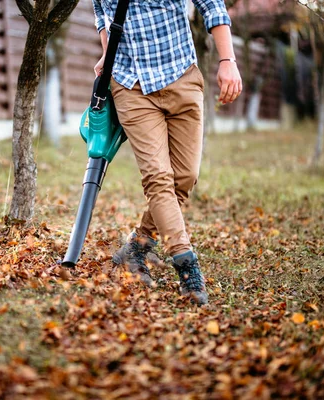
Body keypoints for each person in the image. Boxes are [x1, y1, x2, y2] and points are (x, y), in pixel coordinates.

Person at [92, 0, 242, 305]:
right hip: (130, 85)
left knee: (184, 177)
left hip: (180, 74)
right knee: (158, 178)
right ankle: (187, 267)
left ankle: (137, 246)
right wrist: (108, 52)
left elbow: (211, 4)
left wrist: (228, 59)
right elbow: (102, 13)